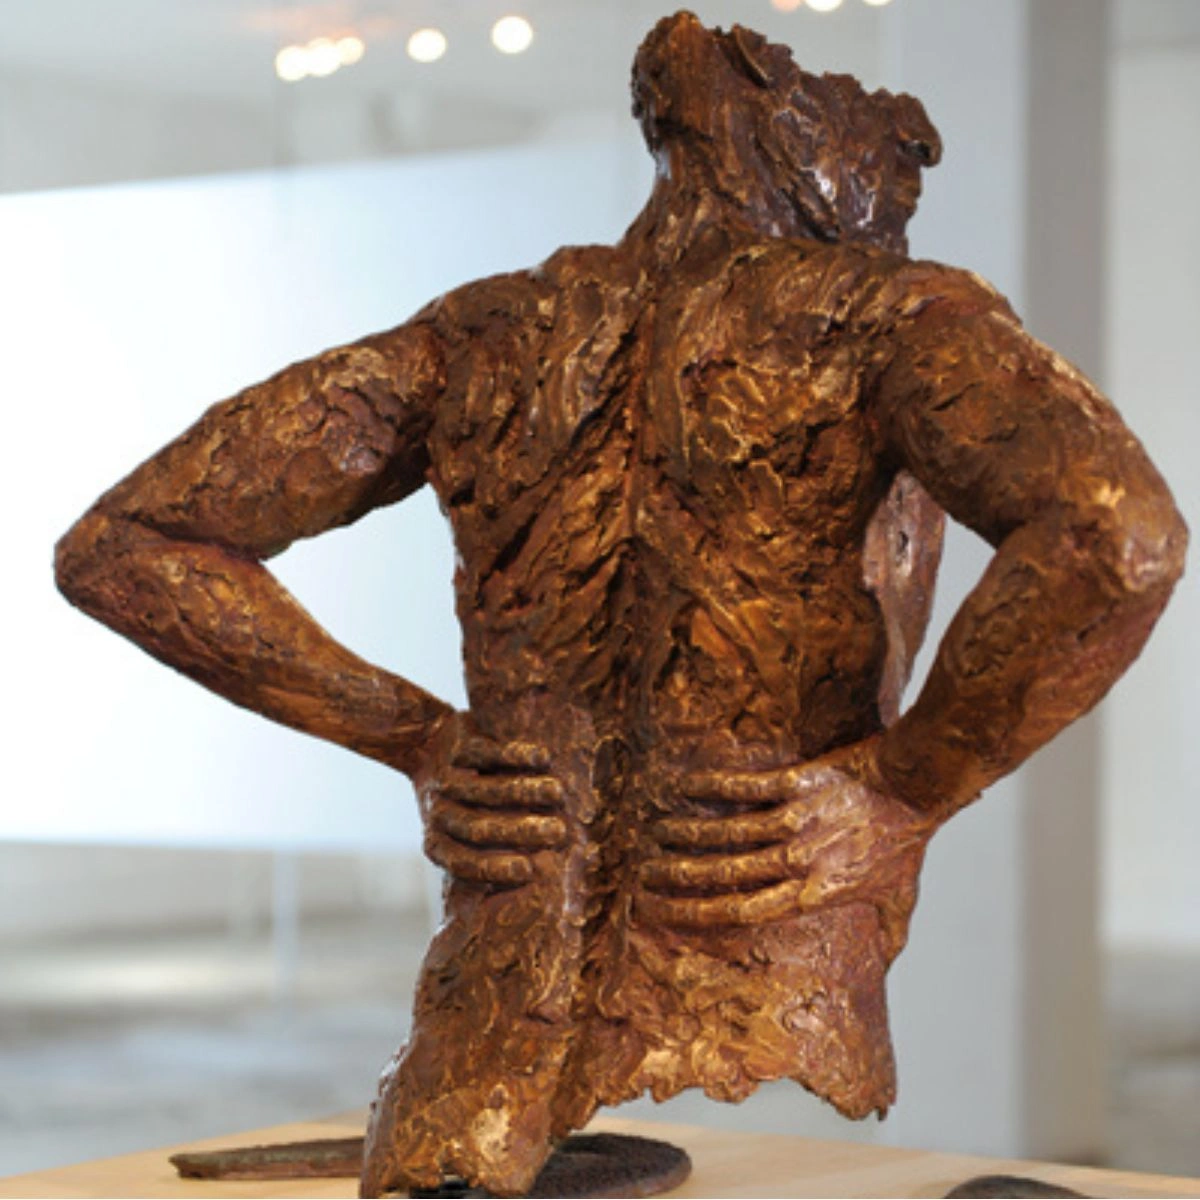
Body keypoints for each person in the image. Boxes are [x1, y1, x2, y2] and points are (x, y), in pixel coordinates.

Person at [56, 13, 1186, 1196]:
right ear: (797, 142)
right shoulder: (889, 321)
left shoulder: (484, 336)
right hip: (762, 930)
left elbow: (126, 546)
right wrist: (906, 787)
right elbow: (1119, 536)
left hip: (502, 995)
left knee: (453, 1153)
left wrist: (419, 739)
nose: (903, 181)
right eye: (890, 153)